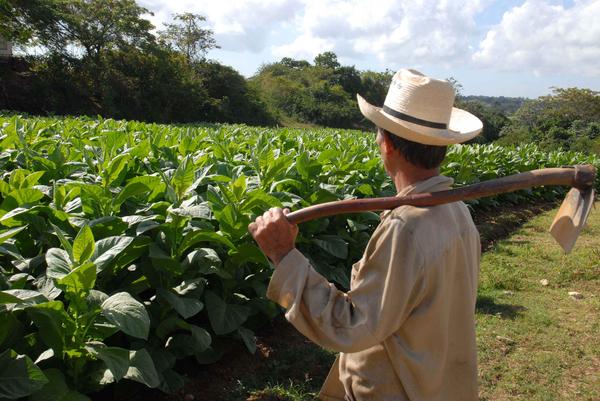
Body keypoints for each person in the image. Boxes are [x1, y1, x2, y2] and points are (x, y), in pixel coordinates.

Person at [248, 69, 483, 401]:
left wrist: (284, 256)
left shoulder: (406, 228)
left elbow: (351, 326)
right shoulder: (458, 211)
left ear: (386, 143)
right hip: (439, 384)